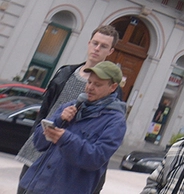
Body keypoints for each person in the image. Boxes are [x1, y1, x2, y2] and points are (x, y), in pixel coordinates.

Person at [17, 25, 119, 194]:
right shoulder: (65, 73)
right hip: (40, 149)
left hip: (68, 161)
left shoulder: (109, 90)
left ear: (111, 51)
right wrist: (36, 135)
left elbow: (104, 134)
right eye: (95, 43)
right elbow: (44, 111)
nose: (97, 49)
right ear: (88, 43)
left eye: (103, 46)